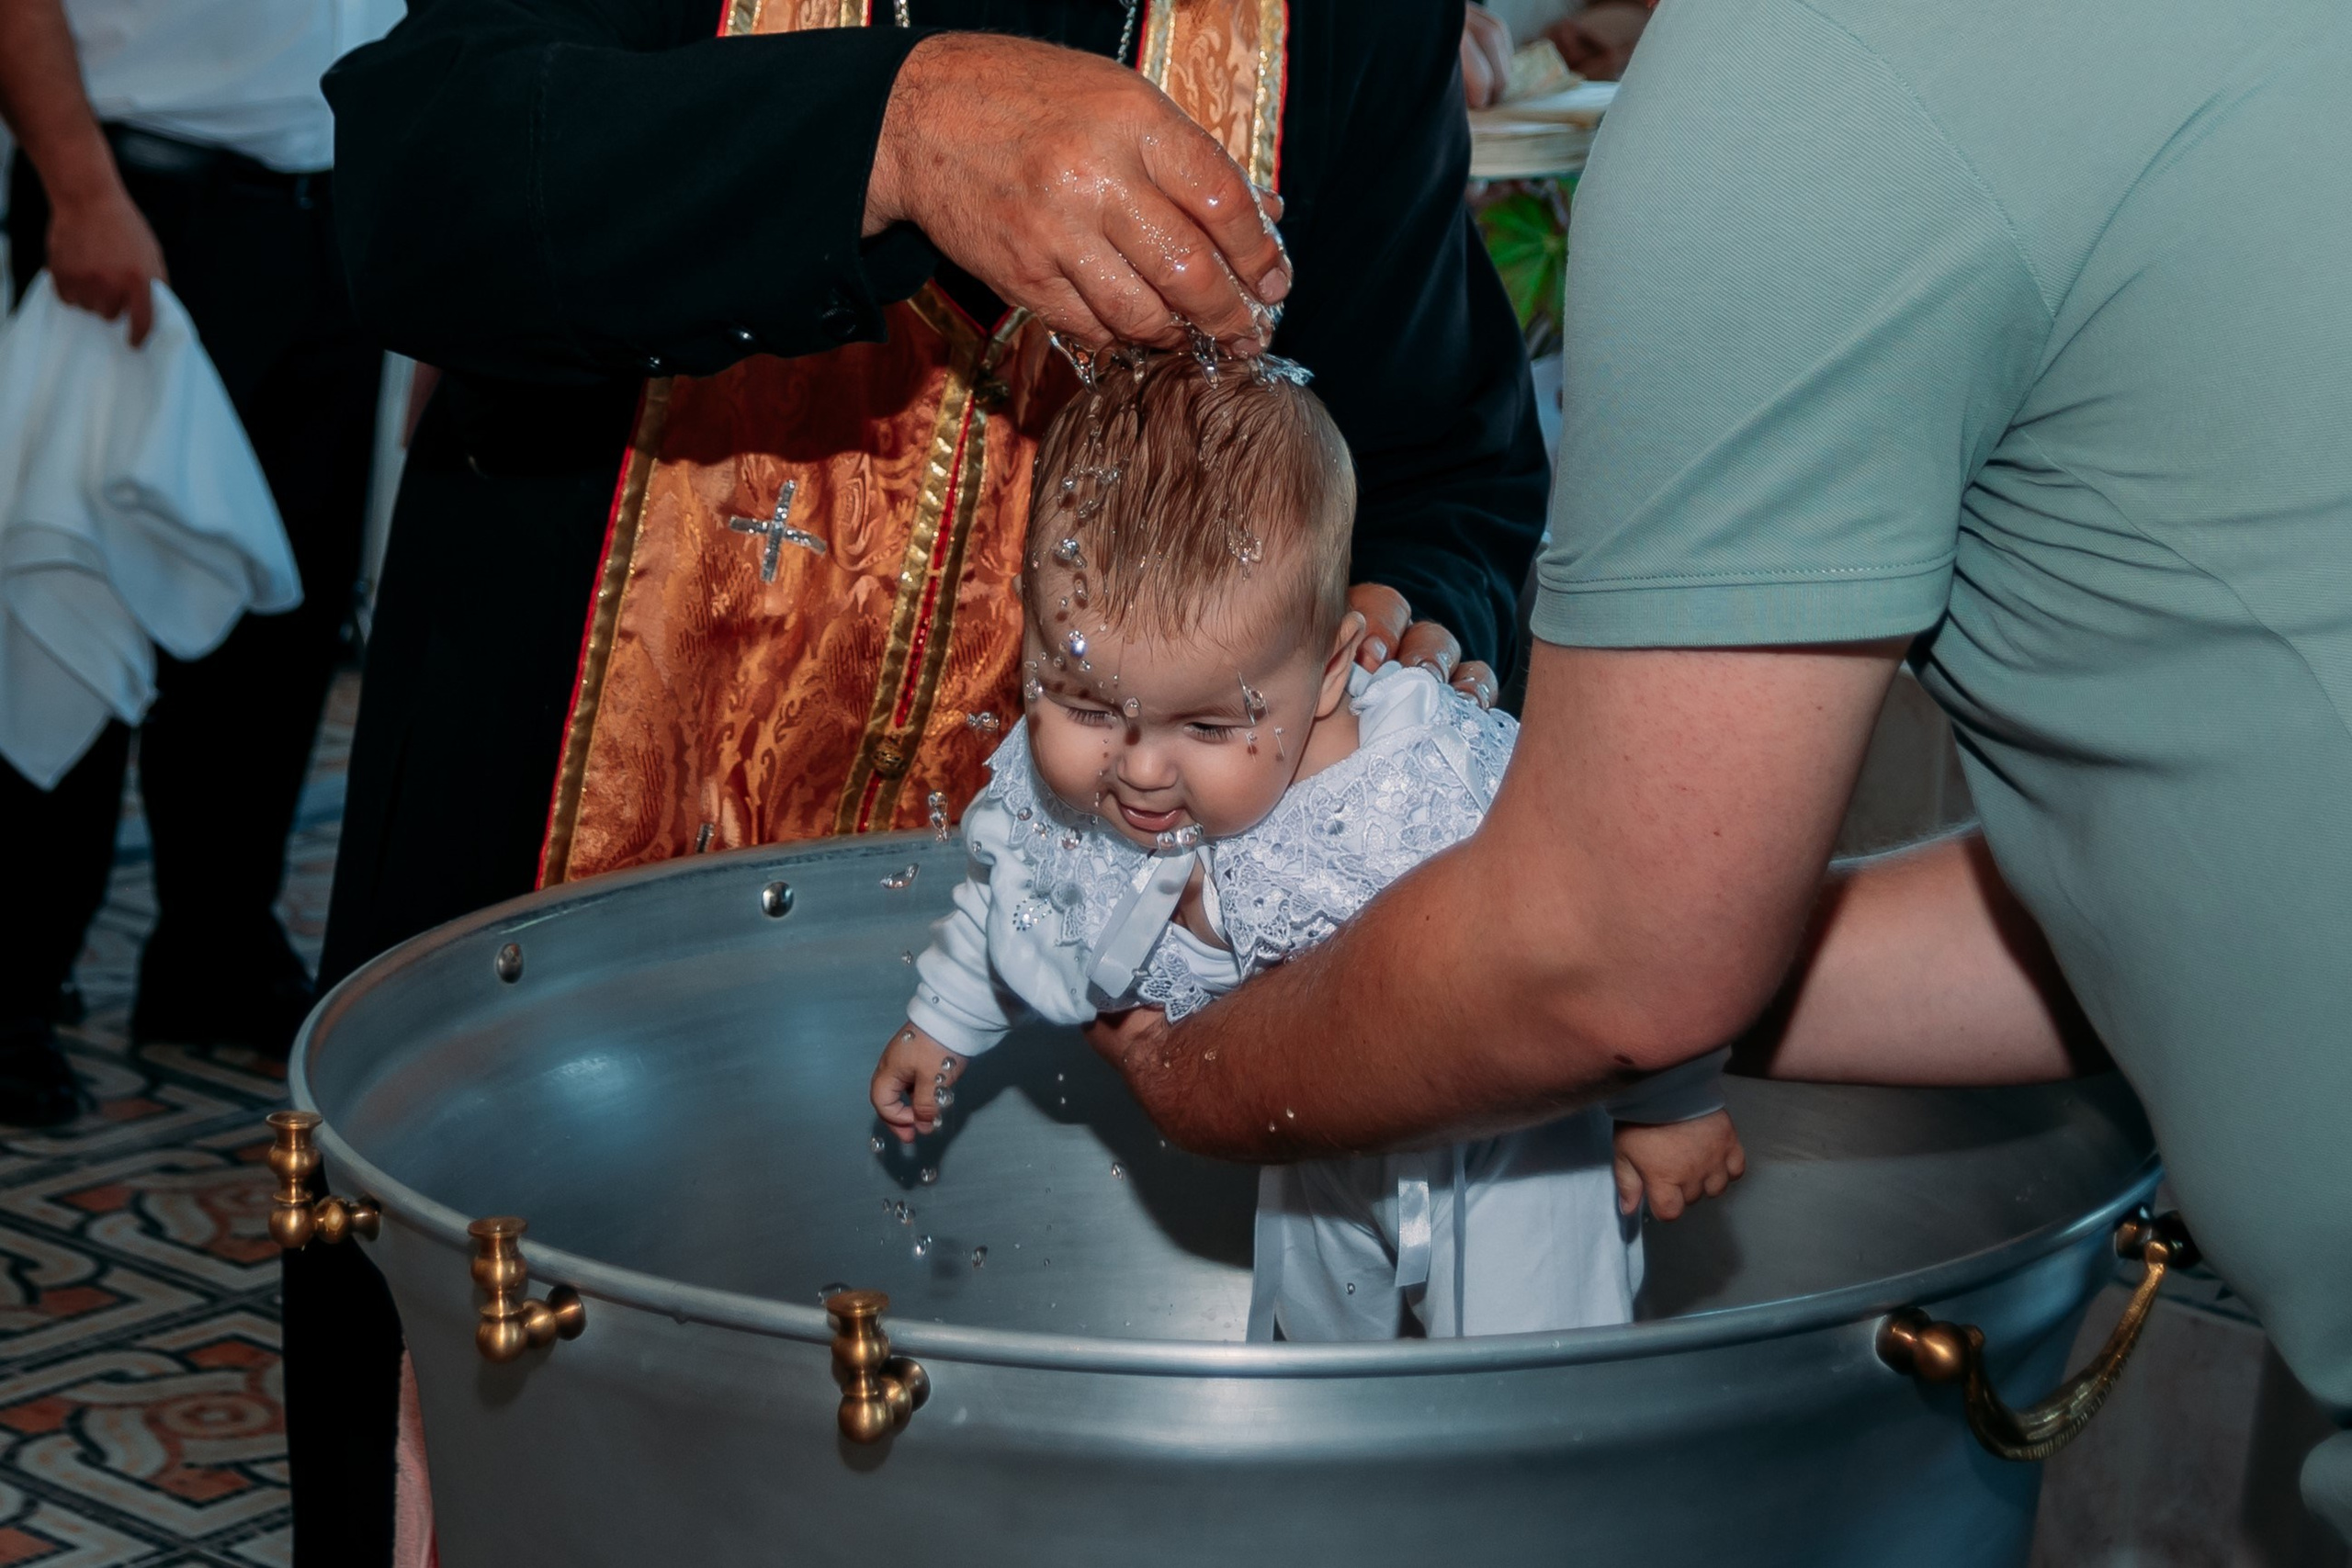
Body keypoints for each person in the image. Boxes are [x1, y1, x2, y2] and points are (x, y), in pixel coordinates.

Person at [1084, 0, 2352, 1541]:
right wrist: (1544, 967)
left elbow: (1613, 962)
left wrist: (1203, 1070)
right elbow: (2169, 883)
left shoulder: (1806, 74)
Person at [310, 2, 1548, 1559]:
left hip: (1092, 1134)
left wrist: (1402, 620)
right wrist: (891, 131)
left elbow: (1451, 466)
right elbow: (415, 186)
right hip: (580, 1012)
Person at [870, 350, 1739, 1338]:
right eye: (1083, 705)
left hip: (1509, 1139)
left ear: (1327, 674)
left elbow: (1604, 923)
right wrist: (941, 1024)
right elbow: (1017, 896)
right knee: (1312, 1348)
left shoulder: (1413, 784)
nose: (1140, 772)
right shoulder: (1066, 790)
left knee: (1529, 1367)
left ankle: (1531, 1476)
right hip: (1314, 1111)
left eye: (1205, 728)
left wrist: (1671, 1101)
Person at [0, 0, 394, 1121]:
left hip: (331, 216)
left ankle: (214, 953)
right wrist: (78, 190)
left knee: (283, 609)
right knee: (86, 579)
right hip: (142, 203)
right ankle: (14, 982)